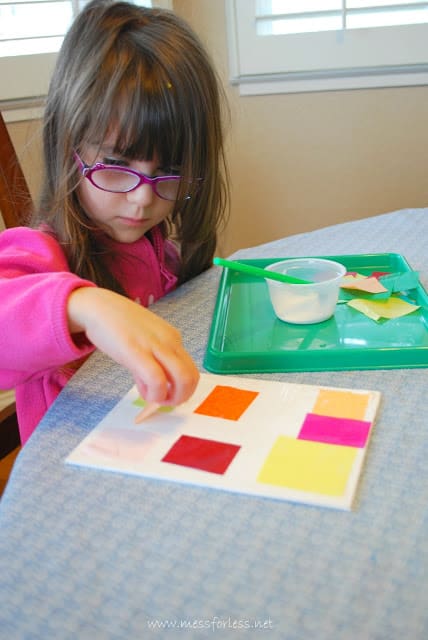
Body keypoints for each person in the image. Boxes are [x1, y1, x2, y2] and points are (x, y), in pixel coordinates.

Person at [0, 0, 229, 445]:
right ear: (68, 147)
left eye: (170, 172)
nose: (143, 200)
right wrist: (86, 307)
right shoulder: (37, 254)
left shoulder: (160, 251)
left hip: (152, 446)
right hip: (72, 475)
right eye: (115, 164)